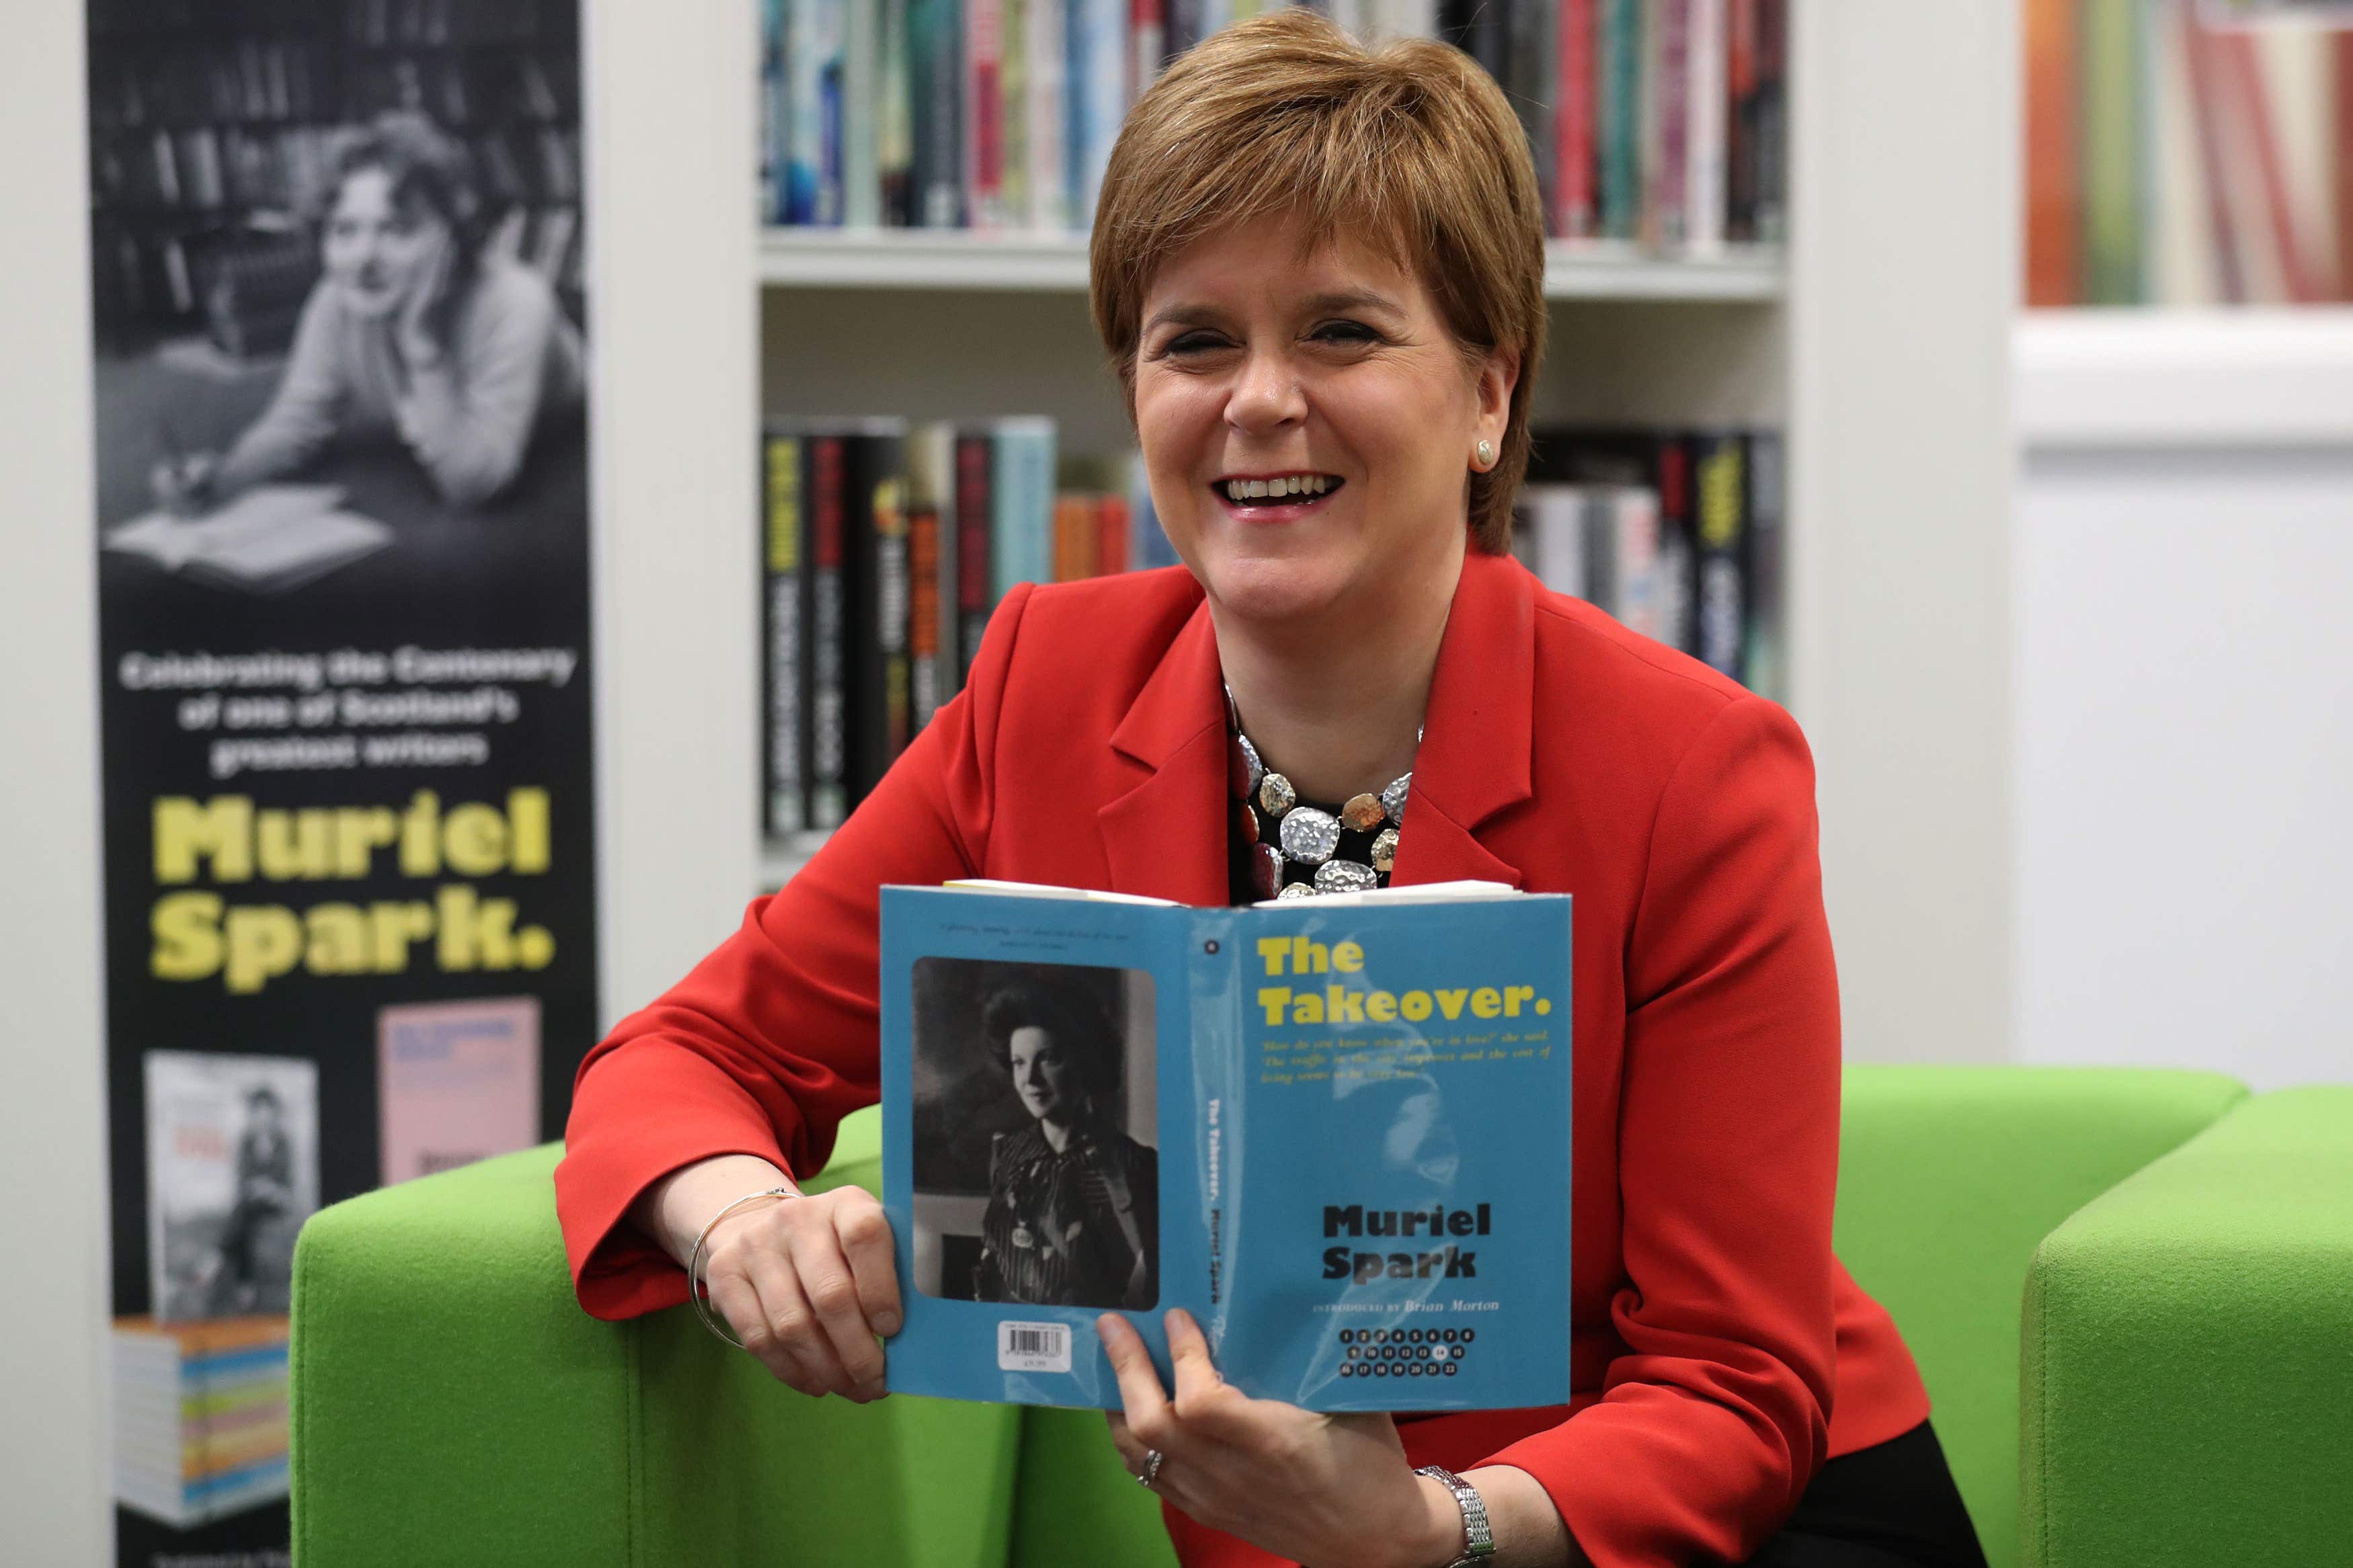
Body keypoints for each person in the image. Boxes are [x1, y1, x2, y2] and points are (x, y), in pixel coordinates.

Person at [555, 13, 1989, 1567]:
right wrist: (744, 1224)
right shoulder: (1044, 684)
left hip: (1693, 1530)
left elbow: (1733, 1385)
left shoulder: (1694, 771)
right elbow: (686, 1052)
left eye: (1343, 333)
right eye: (1195, 342)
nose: (1257, 400)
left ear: (1491, 392)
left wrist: (1430, 1531)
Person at [151, 111, 585, 514]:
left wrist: (422, 344)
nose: (363, 257)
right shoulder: (337, 299)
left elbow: (473, 485)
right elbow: (298, 420)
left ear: (454, 235)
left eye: (396, 229)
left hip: (573, 458)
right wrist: (223, 478)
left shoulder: (517, 302)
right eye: (344, 230)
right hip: (441, 454)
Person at [967, 983, 1158, 1310]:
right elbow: (993, 1258)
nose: (1030, 1079)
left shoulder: (1135, 1165)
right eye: (1019, 1062)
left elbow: (1143, 1287)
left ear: (1084, 1061)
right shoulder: (1006, 1153)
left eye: (1048, 1059)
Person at [192, 1085, 294, 1315]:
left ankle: (218, 1259)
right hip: (251, 1202)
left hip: (276, 1203)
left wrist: (269, 1188)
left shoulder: (284, 1143)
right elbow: (243, 1178)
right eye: (258, 1112)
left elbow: (287, 1183)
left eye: (267, 1112)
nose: (263, 1117)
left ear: (274, 1114)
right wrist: (257, 1187)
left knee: (243, 1213)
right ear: (253, 1114)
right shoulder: (246, 1142)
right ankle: (246, 1288)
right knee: (246, 1220)